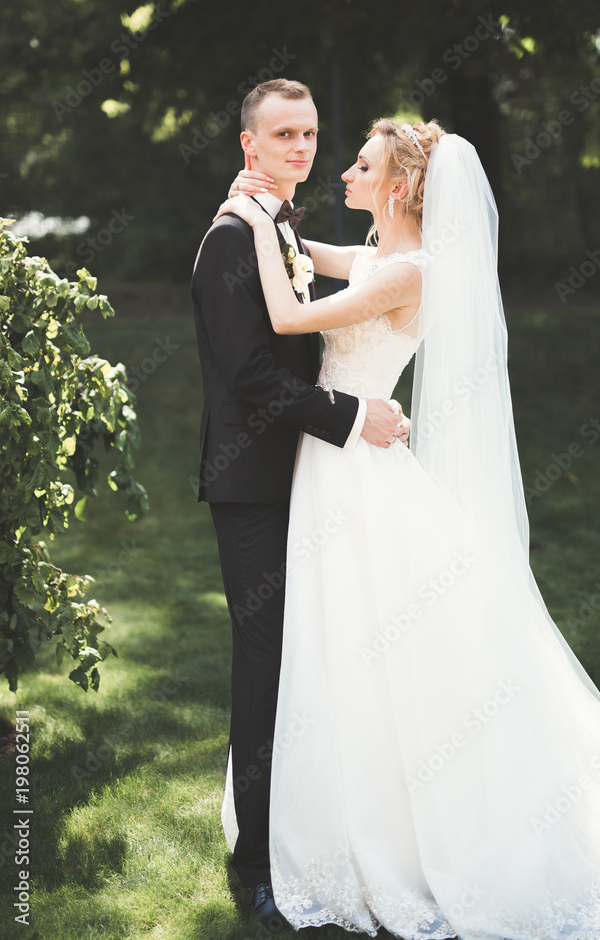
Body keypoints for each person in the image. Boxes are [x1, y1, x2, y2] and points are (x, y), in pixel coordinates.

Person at [214, 118, 600, 939]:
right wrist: (272, 214)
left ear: (394, 189)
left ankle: (394, 828)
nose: (342, 171)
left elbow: (285, 317)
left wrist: (248, 220)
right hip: (338, 459)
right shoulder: (379, 257)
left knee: (363, 640)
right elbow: (307, 255)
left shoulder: (406, 272)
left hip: (353, 471)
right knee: (337, 641)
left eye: (360, 164)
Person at [190, 79, 406, 932]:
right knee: (264, 665)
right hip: (253, 483)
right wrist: (353, 416)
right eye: (282, 134)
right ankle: (255, 865)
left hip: (313, 477)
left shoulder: (278, 226)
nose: (299, 147)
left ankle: (316, 828)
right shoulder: (226, 240)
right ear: (249, 145)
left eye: (309, 134)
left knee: (316, 657)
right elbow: (250, 376)